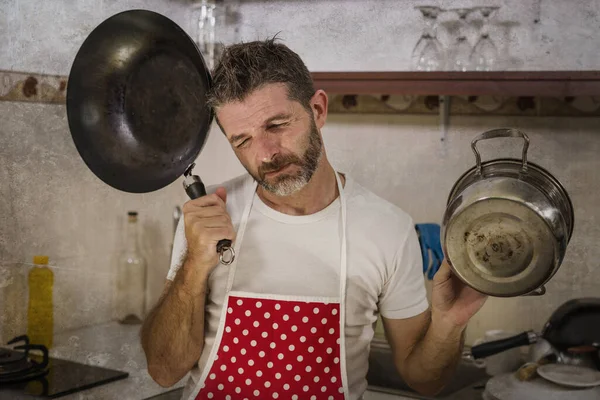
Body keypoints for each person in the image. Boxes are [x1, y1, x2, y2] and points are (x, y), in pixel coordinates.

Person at [140, 37, 488, 400]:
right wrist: (195, 263)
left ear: (318, 110)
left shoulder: (388, 229)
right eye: (242, 141)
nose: (266, 154)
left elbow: (424, 380)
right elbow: (164, 371)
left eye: (277, 125)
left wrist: (449, 324)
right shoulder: (207, 219)